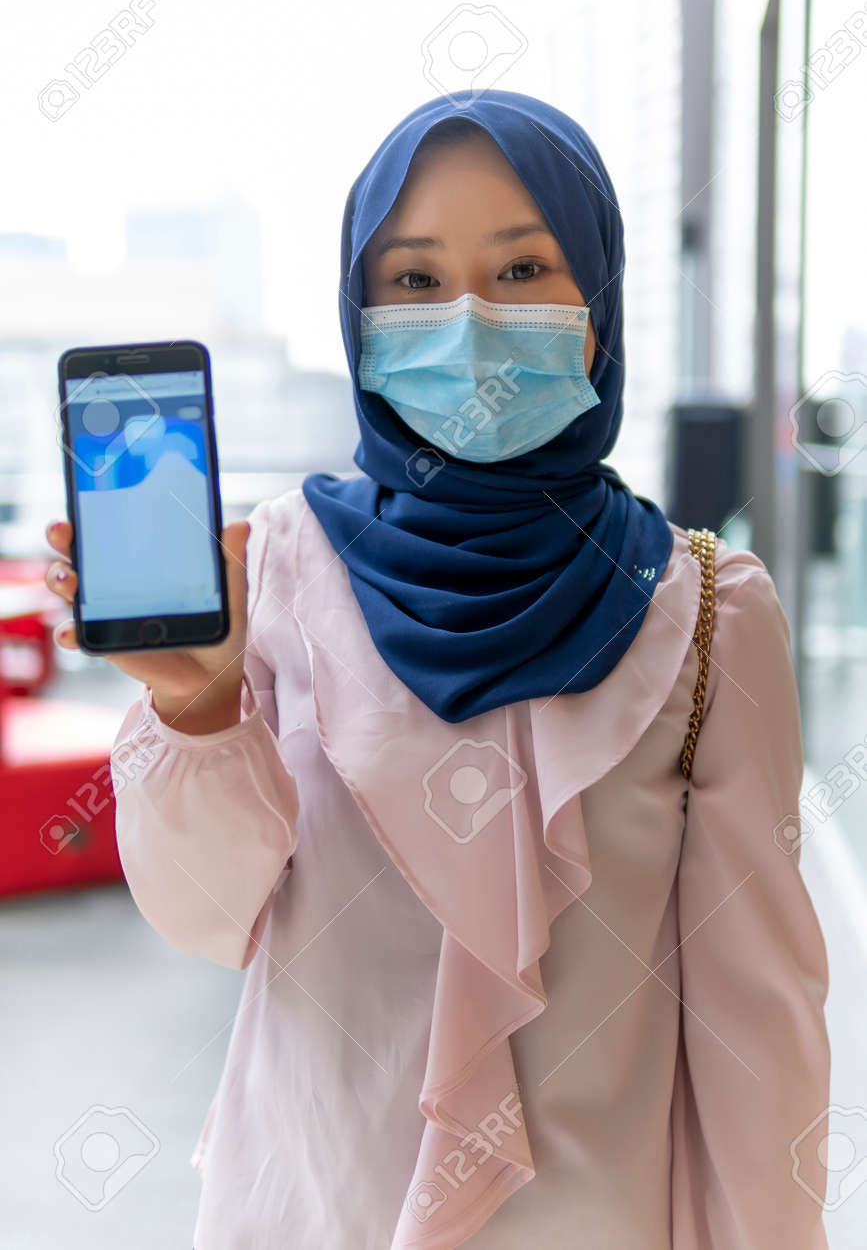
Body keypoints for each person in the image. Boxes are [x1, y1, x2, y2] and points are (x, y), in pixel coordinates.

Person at [43, 89, 831, 1249]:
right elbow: (210, 918)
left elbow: (756, 1034)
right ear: (358, 321)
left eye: (520, 273)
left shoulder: (710, 610)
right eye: (413, 282)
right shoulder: (277, 569)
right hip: (312, 1207)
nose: (467, 321)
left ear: (601, 307)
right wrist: (197, 703)